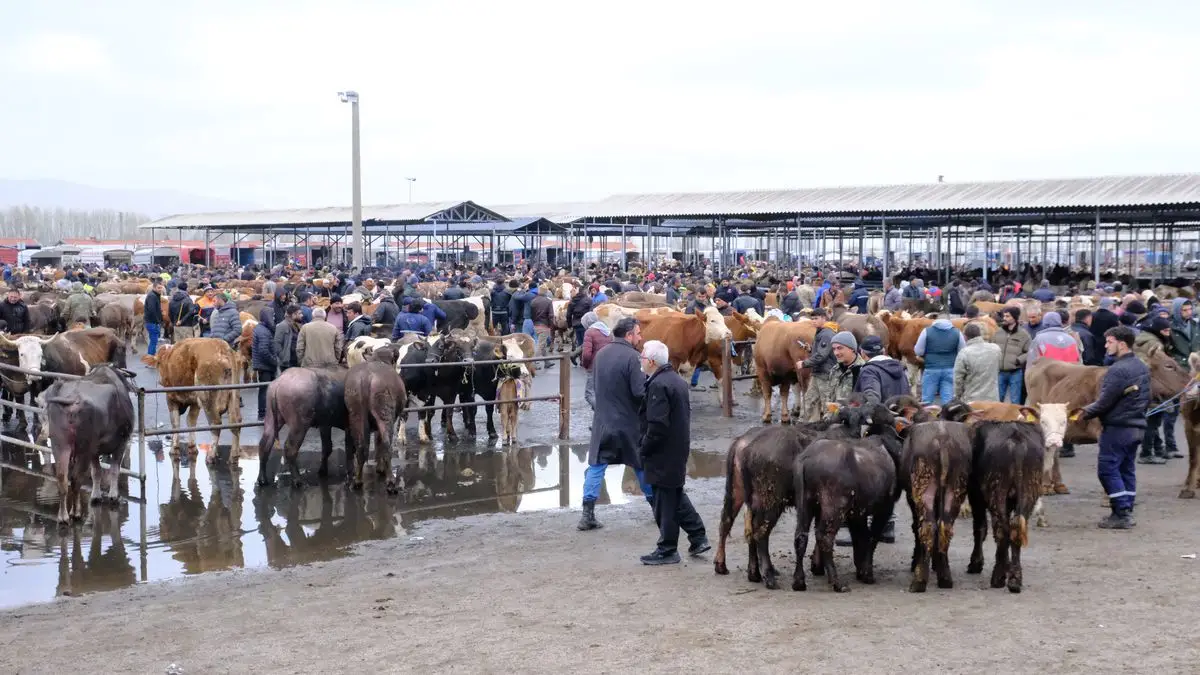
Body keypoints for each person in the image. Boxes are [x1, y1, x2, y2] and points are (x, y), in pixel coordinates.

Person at [636, 339, 708, 565]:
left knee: (664, 501)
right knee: (674, 495)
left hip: (663, 451)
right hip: (676, 448)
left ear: (650, 361)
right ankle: (698, 535)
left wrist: (644, 447)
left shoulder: (658, 384)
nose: (640, 360)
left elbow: (657, 425)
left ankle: (668, 549)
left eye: (642, 357)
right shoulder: (675, 379)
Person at [578, 317, 654, 531]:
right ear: (628, 335)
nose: (640, 337)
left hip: (602, 421)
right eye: (638, 333)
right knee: (640, 465)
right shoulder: (633, 357)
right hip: (628, 422)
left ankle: (587, 515)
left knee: (596, 466)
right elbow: (639, 392)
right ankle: (657, 508)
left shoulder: (601, 354)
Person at [1077, 326, 1150, 529]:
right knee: (1126, 468)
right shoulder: (1141, 366)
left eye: (1109, 342)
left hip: (1118, 428)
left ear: (1122, 344)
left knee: (1107, 469)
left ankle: (1121, 513)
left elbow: (1104, 402)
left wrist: (1081, 414)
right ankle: (1127, 507)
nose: (1106, 345)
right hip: (1136, 427)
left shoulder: (1117, 370)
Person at [914, 317, 965, 405]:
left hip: (931, 368)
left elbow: (918, 351)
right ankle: (947, 417)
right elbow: (963, 350)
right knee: (948, 400)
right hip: (950, 368)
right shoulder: (957, 332)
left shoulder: (926, 331)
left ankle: (926, 417)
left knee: (927, 400)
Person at [799, 317, 840, 421]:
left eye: (816, 318)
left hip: (825, 374)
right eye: (812, 318)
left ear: (823, 318)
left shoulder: (826, 334)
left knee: (827, 403)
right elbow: (822, 352)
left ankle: (830, 426)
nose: (813, 321)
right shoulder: (822, 332)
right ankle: (802, 423)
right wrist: (811, 349)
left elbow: (822, 356)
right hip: (818, 373)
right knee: (809, 400)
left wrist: (804, 363)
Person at [854, 335, 909, 405]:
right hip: (901, 414)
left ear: (862, 353)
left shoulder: (868, 371)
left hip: (881, 415)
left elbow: (873, 401)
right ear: (883, 351)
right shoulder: (900, 368)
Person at [954, 322, 1001, 402]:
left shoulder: (964, 353)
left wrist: (957, 396)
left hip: (972, 399)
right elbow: (997, 368)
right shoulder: (995, 349)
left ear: (965, 336)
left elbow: (958, 379)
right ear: (979, 334)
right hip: (992, 398)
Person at [993, 307, 1030, 403]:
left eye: (1007, 316)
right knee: (998, 400)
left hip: (1015, 372)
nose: (1004, 318)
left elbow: (1029, 351)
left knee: (1015, 400)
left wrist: (1019, 360)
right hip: (999, 372)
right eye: (1004, 316)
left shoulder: (1023, 334)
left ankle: (1015, 418)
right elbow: (992, 347)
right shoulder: (998, 332)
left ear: (1015, 317)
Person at [580, 311, 612, 411]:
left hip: (594, 366)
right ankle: (598, 423)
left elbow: (586, 354)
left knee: (589, 394)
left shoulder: (589, 332)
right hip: (608, 365)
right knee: (603, 393)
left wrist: (585, 365)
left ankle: (602, 413)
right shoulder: (607, 330)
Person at [251, 307, 278, 420]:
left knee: (266, 389)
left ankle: (266, 413)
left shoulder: (261, 329)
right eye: (272, 316)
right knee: (264, 390)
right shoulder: (263, 331)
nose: (273, 318)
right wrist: (274, 361)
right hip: (265, 365)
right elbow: (263, 351)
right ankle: (262, 414)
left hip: (263, 365)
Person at [829, 331, 863, 402]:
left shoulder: (863, 370)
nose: (836, 353)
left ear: (852, 349)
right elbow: (831, 397)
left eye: (840, 348)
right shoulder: (835, 370)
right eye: (834, 349)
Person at [529, 288, 556, 367]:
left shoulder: (533, 301)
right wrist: (551, 326)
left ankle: (547, 362)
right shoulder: (548, 301)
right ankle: (532, 364)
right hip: (544, 325)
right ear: (546, 292)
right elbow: (551, 315)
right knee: (541, 345)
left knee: (542, 344)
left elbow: (531, 314)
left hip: (536, 324)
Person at [273, 304, 303, 371]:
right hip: (288, 363)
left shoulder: (297, 326)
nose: (302, 315)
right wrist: (283, 357)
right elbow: (277, 343)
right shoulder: (282, 326)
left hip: (296, 362)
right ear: (293, 315)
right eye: (300, 313)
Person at [144, 279, 165, 356]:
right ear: (154, 288)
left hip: (152, 322)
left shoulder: (155, 295)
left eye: (161, 288)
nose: (160, 289)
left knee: (154, 341)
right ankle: (150, 358)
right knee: (153, 341)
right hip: (152, 322)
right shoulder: (152, 296)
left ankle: (151, 356)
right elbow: (151, 310)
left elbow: (154, 309)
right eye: (158, 288)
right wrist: (157, 321)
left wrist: (160, 311)